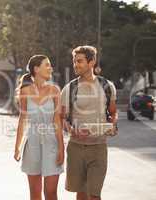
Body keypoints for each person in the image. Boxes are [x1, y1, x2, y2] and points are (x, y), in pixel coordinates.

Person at [61, 46, 118, 200]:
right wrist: (71, 129)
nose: (75, 65)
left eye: (79, 61)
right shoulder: (69, 88)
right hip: (76, 148)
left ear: (91, 62)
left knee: (94, 194)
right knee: (81, 193)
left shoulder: (107, 86)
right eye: (74, 61)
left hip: (99, 147)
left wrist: (113, 124)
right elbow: (63, 118)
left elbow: (113, 112)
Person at [14, 55, 64, 200]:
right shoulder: (25, 91)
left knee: (51, 192)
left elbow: (57, 120)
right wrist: (17, 147)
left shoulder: (55, 90)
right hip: (33, 143)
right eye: (47, 65)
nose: (51, 68)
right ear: (36, 69)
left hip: (51, 143)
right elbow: (22, 119)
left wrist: (61, 147)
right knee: (35, 194)